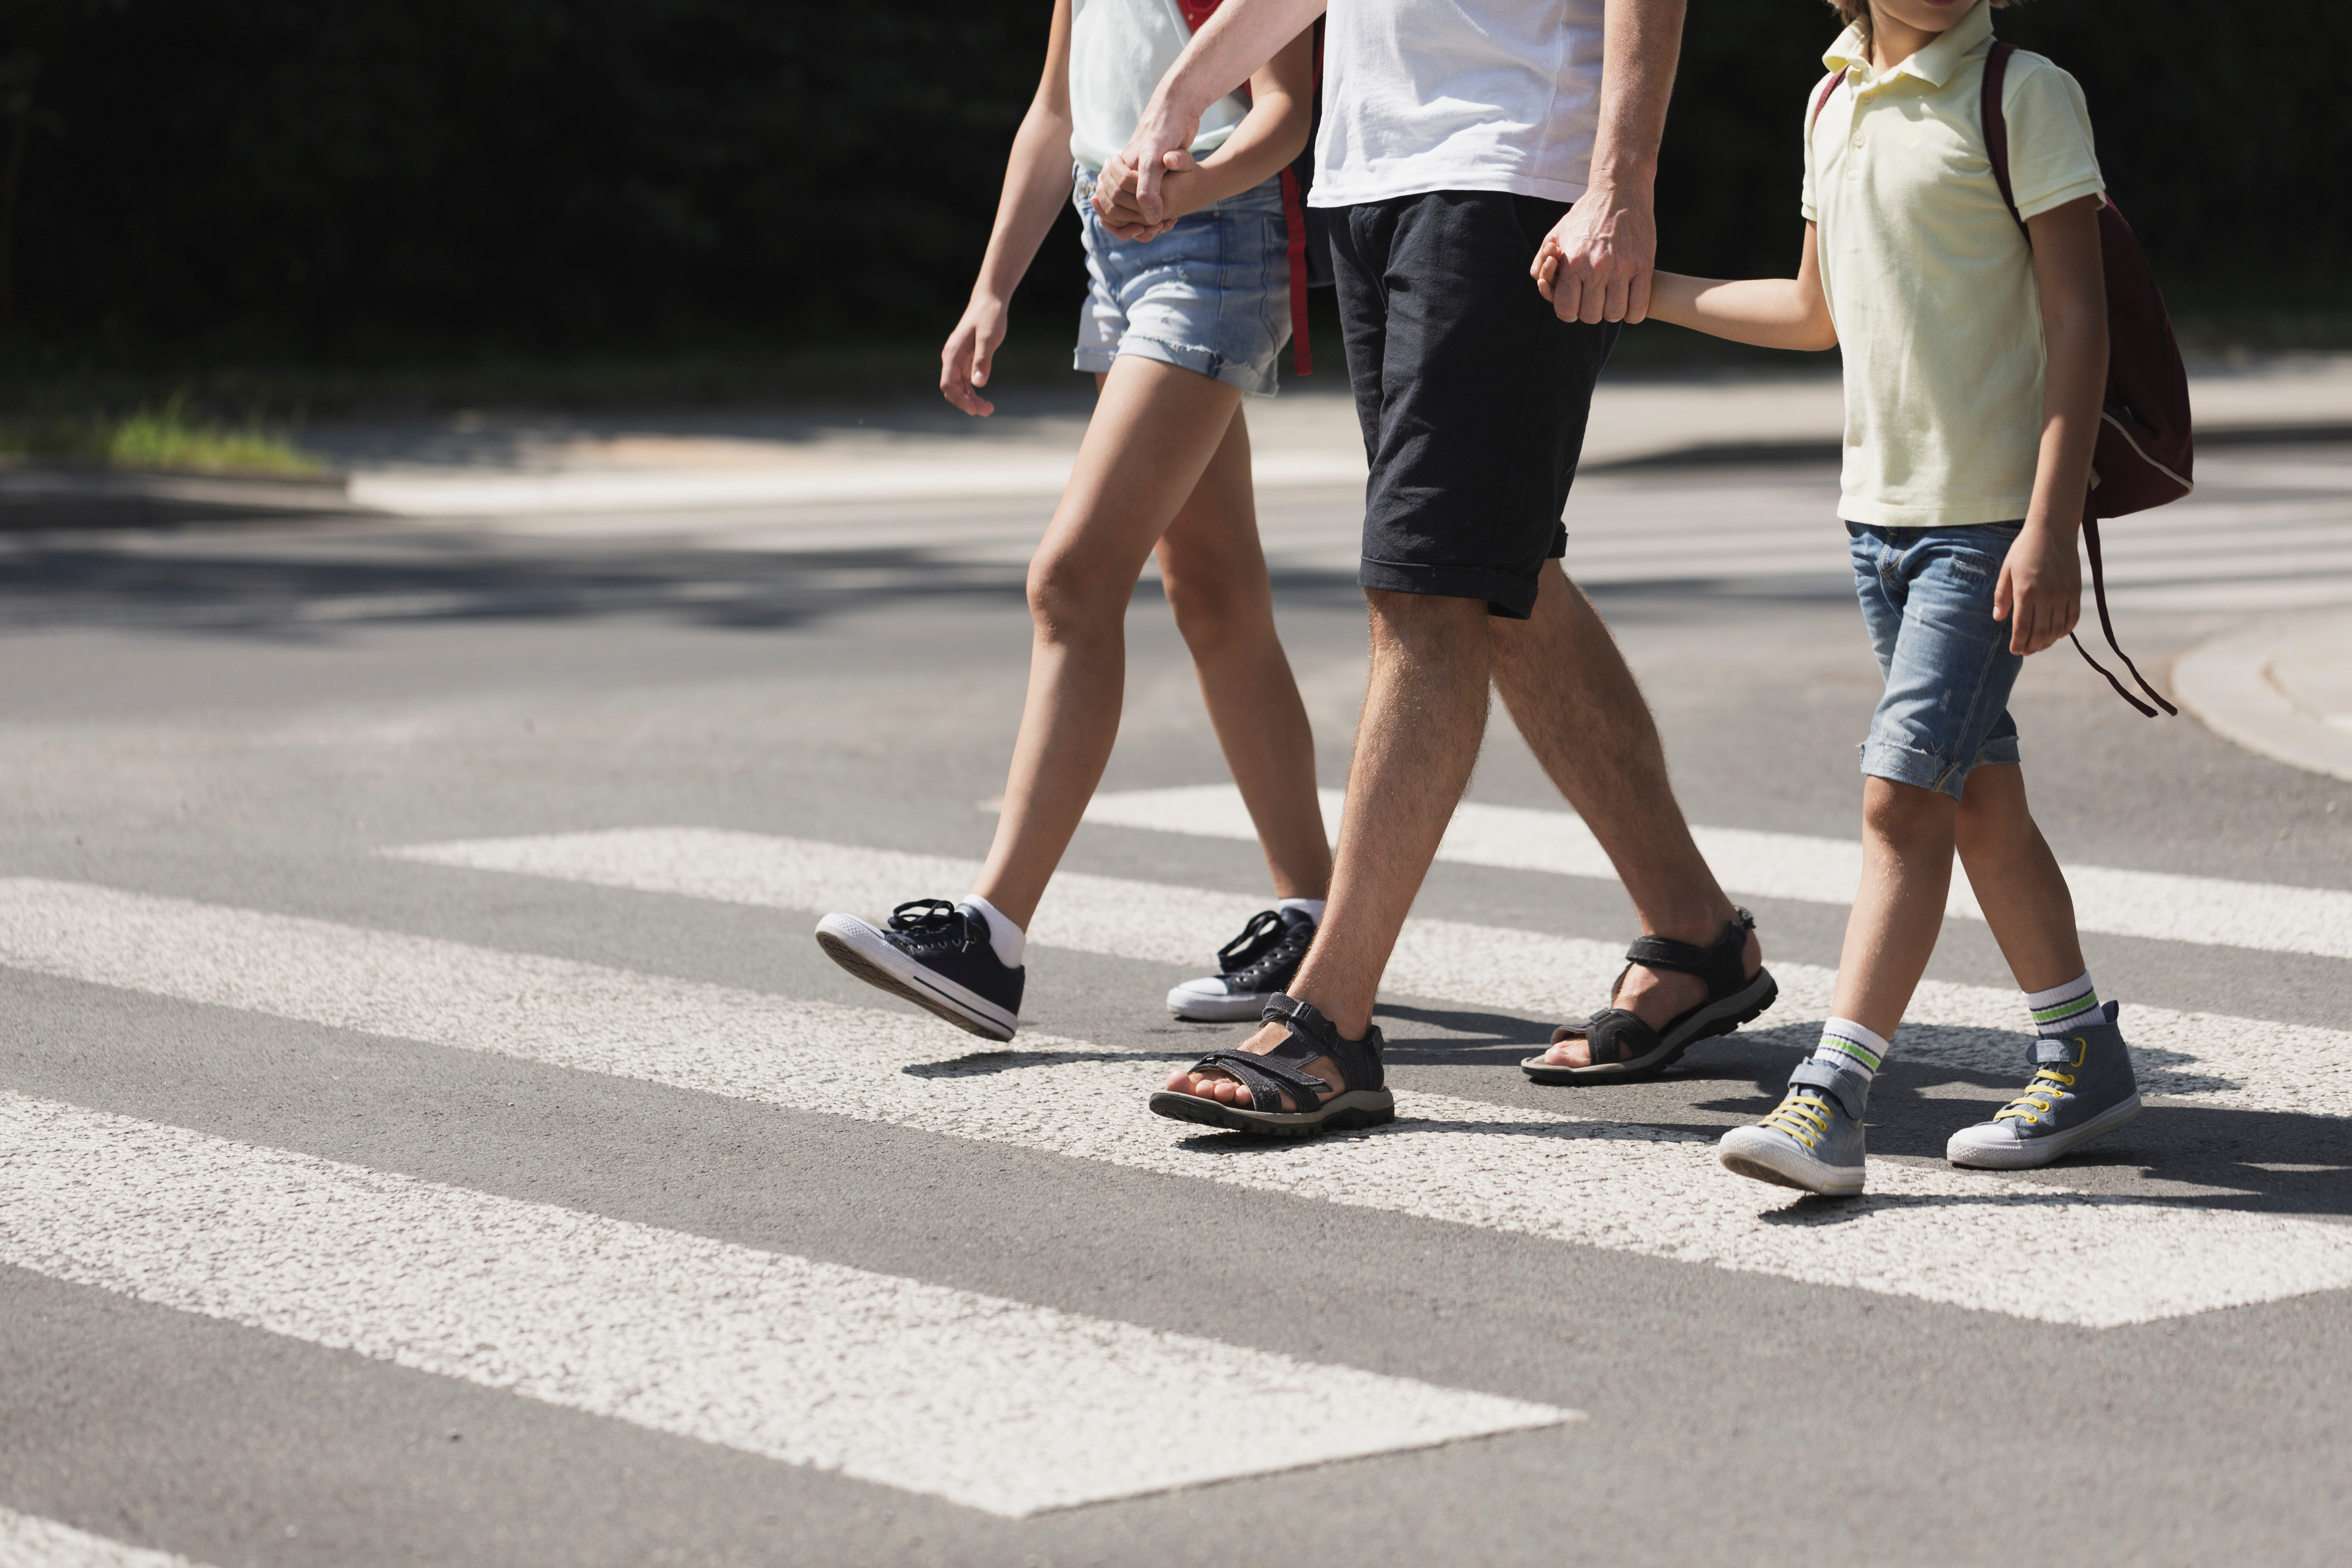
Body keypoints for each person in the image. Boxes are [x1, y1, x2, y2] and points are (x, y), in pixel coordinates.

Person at [1114, 0, 1779, 1136]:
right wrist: (1180, 100)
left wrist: (1619, 183)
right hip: (1372, 179)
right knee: (1495, 578)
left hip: (1514, 173)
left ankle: (1330, 1019)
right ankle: (1696, 937)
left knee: (1426, 588)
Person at [1637, 0, 2138, 1194]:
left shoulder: (2023, 92)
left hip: (1984, 528)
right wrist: (1640, 290)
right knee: (1977, 803)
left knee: (1900, 802)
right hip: (1880, 527)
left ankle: (1830, 1099)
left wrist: (2049, 524)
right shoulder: (1834, 98)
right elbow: (1814, 314)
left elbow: (2081, 323)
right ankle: (2083, 1055)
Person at [814, 0, 1334, 1041]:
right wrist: (991, 290)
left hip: (1212, 244)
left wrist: (1186, 186)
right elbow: (1054, 114)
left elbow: (1287, 113)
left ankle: (990, 939)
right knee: (1215, 595)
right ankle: (1321, 920)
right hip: (1120, 257)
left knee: (1071, 581)